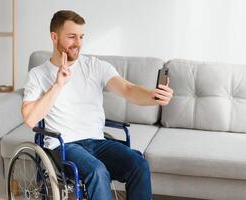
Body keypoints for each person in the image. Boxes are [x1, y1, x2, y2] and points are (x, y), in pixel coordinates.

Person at [22, 10, 173, 200]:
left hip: (97, 142)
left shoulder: (95, 66)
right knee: (98, 171)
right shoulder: (37, 74)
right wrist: (58, 85)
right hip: (64, 146)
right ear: (54, 36)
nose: (78, 43)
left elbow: (127, 89)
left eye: (81, 36)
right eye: (71, 36)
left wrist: (154, 96)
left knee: (138, 164)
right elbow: (30, 119)